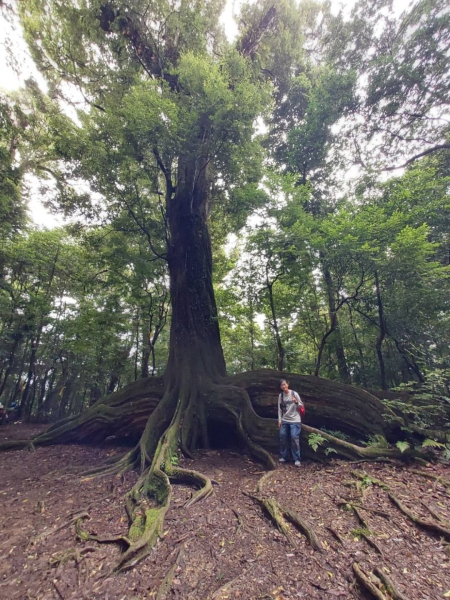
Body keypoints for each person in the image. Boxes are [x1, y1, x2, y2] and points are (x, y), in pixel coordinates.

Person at [278, 379, 303, 467]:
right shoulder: (281, 396)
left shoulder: (294, 394)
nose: (284, 386)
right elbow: (279, 409)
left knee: (294, 437)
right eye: (282, 385)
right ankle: (284, 456)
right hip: (285, 419)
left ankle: (296, 459)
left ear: (288, 384)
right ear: (280, 387)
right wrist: (280, 420)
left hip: (295, 419)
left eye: (285, 384)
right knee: (282, 436)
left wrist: (296, 402)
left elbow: (301, 405)